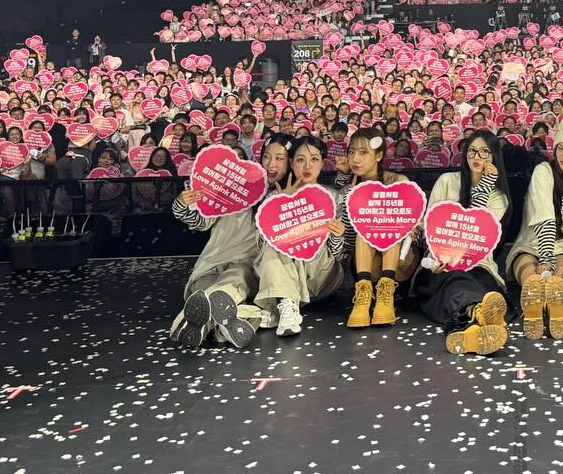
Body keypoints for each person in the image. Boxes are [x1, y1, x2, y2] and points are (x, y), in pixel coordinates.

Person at [169, 133, 293, 348]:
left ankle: (182, 326)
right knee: (201, 296)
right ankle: (230, 325)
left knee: (230, 283)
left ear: (290, 162)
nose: (271, 164)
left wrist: (283, 203)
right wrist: (182, 205)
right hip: (211, 264)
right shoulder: (231, 190)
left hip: (245, 266)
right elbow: (202, 223)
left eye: (280, 158)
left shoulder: (291, 195)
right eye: (266, 156)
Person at [417, 130, 513, 356]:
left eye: (484, 152)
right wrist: (435, 258)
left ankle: (471, 328)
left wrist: (486, 184)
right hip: (442, 264)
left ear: (494, 157)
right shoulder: (447, 181)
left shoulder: (499, 197)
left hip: (479, 265)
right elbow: (431, 225)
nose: (477, 157)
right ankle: (479, 315)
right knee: (455, 279)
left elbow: (474, 227)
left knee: (478, 285)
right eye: (472, 151)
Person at [506, 116, 563, 340]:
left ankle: (555, 305)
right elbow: (543, 216)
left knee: (560, 273)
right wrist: (545, 259)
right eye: (560, 148)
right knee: (530, 270)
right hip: (532, 242)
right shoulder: (543, 170)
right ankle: (533, 303)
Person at [253, 134, 346, 337]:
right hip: (284, 274)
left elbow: (339, 255)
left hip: (320, 276)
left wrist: (337, 236)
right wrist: (280, 206)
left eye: (314, 159)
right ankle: (286, 304)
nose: (307, 166)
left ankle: (276, 305)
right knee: (276, 242)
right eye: (300, 159)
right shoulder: (274, 196)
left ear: (322, 163)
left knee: (294, 240)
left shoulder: (334, 198)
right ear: (292, 163)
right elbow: (261, 246)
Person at [327, 126, 420, 328]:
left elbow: (416, 225)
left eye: (363, 153)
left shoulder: (397, 181)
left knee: (385, 225)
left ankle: (386, 296)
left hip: (399, 262)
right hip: (363, 265)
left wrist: (412, 232)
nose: (355, 159)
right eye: (351, 152)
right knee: (367, 228)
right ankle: (363, 299)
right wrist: (345, 183)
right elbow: (346, 242)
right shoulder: (349, 190)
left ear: (378, 155)